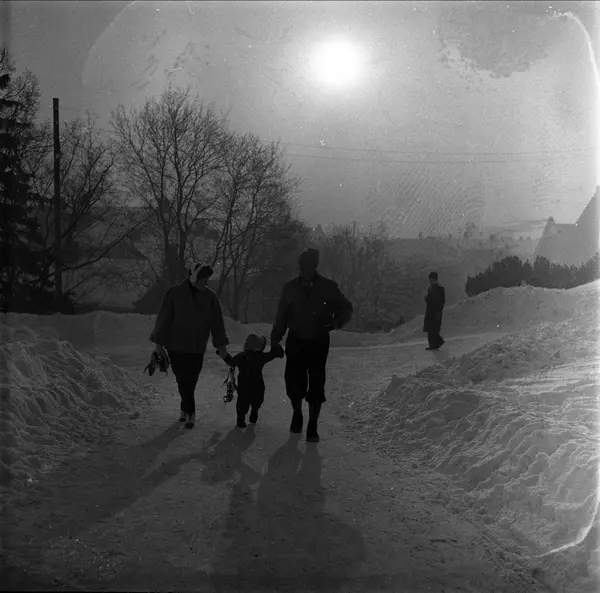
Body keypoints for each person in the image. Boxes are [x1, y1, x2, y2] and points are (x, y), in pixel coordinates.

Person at [270, 248, 353, 443]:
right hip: (296, 340)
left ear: (314, 266)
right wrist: (275, 339)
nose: (302, 268)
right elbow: (281, 316)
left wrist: (334, 324)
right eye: (300, 265)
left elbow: (346, 308)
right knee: (293, 381)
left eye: (305, 265)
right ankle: (297, 413)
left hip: (318, 341)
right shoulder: (290, 288)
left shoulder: (328, 287)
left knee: (316, 383)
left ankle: (313, 424)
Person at [150, 261, 231, 429]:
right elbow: (164, 318)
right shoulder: (174, 293)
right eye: (202, 279)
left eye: (207, 279)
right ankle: (190, 412)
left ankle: (184, 408)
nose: (205, 283)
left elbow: (217, 323)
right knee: (182, 379)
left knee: (191, 380)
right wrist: (159, 344)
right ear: (194, 278)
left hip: (197, 347)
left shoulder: (210, 297)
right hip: (175, 346)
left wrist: (221, 346)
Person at [222, 333, 284, 428]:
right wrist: (276, 348)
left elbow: (232, 362)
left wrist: (224, 355)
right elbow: (272, 355)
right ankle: (254, 412)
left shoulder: (242, 356)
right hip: (257, 385)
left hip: (244, 386)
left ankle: (241, 419)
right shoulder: (260, 356)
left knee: (242, 403)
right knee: (257, 401)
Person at [423, 271, 445, 350]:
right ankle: (432, 345)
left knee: (434, 329)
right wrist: (427, 300)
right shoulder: (430, 288)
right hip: (429, 311)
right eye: (430, 279)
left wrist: (438, 311)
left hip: (436, 312)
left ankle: (437, 343)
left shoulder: (440, 289)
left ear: (435, 280)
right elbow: (431, 300)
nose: (430, 281)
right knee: (430, 329)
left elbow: (442, 301)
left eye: (432, 279)